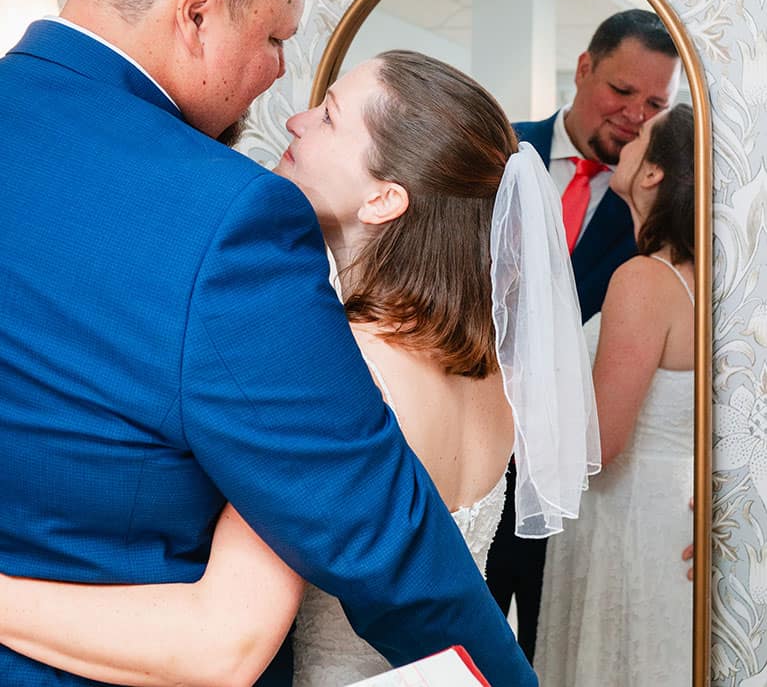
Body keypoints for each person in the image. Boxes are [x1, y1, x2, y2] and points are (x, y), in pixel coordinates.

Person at [0, 0, 536, 687]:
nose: (280, 79)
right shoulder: (227, 217)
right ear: (198, 13)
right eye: (275, 35)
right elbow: (381, 541)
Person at [0, 50, 599, 685]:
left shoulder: (339, 363)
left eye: (329, 117)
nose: (296, 121)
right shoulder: (489, 370)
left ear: (382, 199)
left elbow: (222, 641)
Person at [485, 8, 681, 660]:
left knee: (560, 652)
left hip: (580, 505)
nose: (633, 114)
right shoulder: (495, 151)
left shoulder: (659, 224)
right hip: (476, 467)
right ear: (583, 68)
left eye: (654, 103)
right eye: (621, 91)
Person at [535, 102, 695, 685]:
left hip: (629, 520)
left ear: (653, 173)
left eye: (644, 136)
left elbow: (598, 446)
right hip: (672, 517)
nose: (629, 136)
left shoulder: (645, 279)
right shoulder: (709, 278)